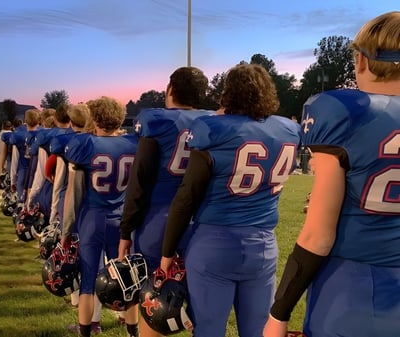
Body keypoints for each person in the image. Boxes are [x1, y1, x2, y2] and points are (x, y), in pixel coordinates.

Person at [264, 11, 400, 337]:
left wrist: (278, 315)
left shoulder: (347, 113)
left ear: (363, 62)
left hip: (355, 290)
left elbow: (318, 236)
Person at [159, 63, 301, 337]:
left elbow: (186, 197)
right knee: (257, 331)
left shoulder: (213, 129)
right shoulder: (288, 130)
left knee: (209, 329)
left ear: (228, 93)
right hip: (263, 246)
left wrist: (167, 252)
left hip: (215, 243)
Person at [117, 66, 213, 337]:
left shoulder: (156, 120)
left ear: (170, 89)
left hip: (158, 222)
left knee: (155, 302)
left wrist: (126, 229)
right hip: (201, 225)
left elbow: (140, 180)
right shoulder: (212, 122)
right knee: (200, 307)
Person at [60, 97, 139, 337]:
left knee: (88, 280)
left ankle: (87, 331)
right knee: (128, 279)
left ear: (95, 118)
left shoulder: (86, 145)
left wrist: (66, 231)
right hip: (122, 221)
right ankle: (132, 332)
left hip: (92, 219)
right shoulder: (133, 143)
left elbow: (73, 196)